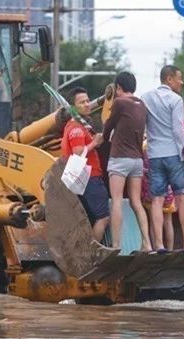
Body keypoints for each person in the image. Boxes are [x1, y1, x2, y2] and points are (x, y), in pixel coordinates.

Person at [141, 65, 184, 254]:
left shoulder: (146, 98)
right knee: (182, 197)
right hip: (174, 154)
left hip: (155, 155)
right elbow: (178, 129)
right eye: (179, 78)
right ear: (169, 79)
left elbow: (143, 127)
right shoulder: (176, 100)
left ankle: (159, 245)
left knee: (157, 200)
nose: (182, 82)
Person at [102, 72, 151, 251]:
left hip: (120, 158)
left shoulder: (119, 103)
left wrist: (105, 138)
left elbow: (108, 125)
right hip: (137, 160)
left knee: (116, 200)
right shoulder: (142, 105)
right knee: (136, 202)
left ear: (118, 88)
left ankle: (116, 245)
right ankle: (146, 243)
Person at [60, 87, 110, 244]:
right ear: (73, 108)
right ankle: (93, 254)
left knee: (90, 218)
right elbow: (78, 152)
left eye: (88, 100)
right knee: (103, 217)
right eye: (82, 102)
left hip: (85, 177)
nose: (88, 104)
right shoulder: (77, 129)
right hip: (90, 176)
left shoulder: (75, 126)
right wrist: (95, 143)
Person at [140, 142, 176, 251]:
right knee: (168, 221)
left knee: (153, 220)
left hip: (151, 189)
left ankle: (156, 247)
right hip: (168, 189)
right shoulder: (167, 146)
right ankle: (170, 249)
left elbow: (143, 169)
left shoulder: (145, 146)